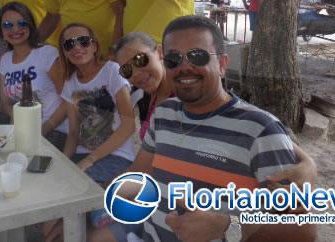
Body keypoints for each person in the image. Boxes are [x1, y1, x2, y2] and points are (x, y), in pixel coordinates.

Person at [122, 16, 316, 242]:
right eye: (174, 59)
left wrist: (228, 226)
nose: (184, 67)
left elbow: (301, 234)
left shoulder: (260, 131)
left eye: (198, 56)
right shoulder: (164, 113)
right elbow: (138, 175)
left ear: (222, 64)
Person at [59, 23, 136, 182]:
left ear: (94, 46)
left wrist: (90, 160)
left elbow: (129, 125)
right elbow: (73, 133)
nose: (77, 47)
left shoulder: (112, 71)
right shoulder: (69, 83)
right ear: (65, 52)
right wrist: (63, 162)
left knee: (77, 186)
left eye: (83, 41)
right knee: (55, 181)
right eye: (69, 44)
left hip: (116, 155)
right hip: (82, 154)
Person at [0, 1, 67, 148]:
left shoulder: (47, 54)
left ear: (30, 25)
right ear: (1, 31)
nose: (15, 29)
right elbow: (5, 103)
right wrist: (19, 124)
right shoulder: (5, 60)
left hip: (55, 132)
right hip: (23, 132)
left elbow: (69, 99)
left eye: (21, 23)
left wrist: (44, 128)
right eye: (8, 25)